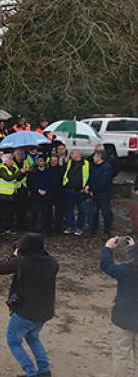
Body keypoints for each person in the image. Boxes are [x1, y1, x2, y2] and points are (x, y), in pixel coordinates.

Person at [0, 234, 58, 377]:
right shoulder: (52, 262)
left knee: (13, 342)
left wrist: (15, 255)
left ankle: (31, 372)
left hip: (25, 313)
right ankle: (44, 371)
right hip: (43, 312)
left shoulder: (22, 262)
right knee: (33, 337)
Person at [100, 235, 138, 376]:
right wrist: (133, 248)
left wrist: (108, 247)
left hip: (124, 318)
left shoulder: (125, 271)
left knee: (120, 355)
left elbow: (106, 265)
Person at [87, 150, 114, 237]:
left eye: (94, 156)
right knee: (94, 213)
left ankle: (107, 230)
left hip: (104, 195)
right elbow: (91, 177)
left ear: (99, 157)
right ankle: (93, 229)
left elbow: (102, 182)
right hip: (95, 195)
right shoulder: (95, 166)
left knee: (106, 213)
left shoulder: (107, 167)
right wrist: (88, 185)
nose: (93, 158)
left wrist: (92, 189)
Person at [0, 154, 25, 235]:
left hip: (11, 195)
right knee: (3, 213)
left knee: (10, 213)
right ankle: (2, 228)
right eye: (10, 159)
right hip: (2, 195)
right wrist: (20, 172)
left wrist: (24, 172)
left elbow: (18, 178)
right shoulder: (2, 169)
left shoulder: (14, 168)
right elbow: (8, 178)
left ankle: (10, 227)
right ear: (5, 161)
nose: (12, 161)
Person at [63, 149, 89, 236]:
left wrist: (86, 187)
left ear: (78, 154)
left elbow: (89, 175)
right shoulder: (70, 162)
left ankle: (79, 227)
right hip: (70, 189)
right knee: (69, 210)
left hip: (80, 191)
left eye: (72, 153)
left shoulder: (86, 164)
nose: (70, 155)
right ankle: (70, 226)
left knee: (81, 210)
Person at [28, 156, 53, 234]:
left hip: (46, 195)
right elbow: (31, 183)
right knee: (35, 211)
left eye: (41, 161)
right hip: (36, 195)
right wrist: (38, 190)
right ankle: (34, 227)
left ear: (45, 162)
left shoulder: (49, 172)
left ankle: (44, 228)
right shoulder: (33, 172)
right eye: (38, 161)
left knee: (45, 212)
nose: (40, 162)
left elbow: (51, 183)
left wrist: (46, 190)